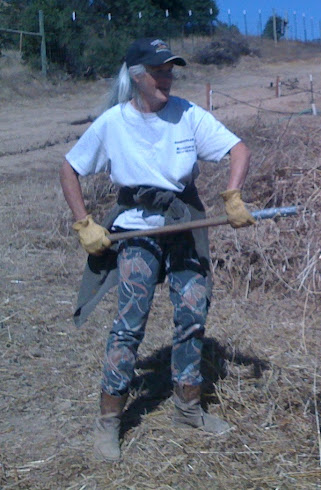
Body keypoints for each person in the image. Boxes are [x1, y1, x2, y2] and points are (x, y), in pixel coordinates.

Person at [59, 37, 256, 462]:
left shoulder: (187, 114)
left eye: (171, 69)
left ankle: (187, 409)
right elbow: (70, 167)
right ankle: (109, 422)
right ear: (136, 77)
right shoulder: (113, 122)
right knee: (129, 324)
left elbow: (237, 148)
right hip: (136, 229)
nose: (167, 77)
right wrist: (84, 222)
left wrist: (232, 195)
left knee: (192, 315)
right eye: (158, 70)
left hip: (184, 222)